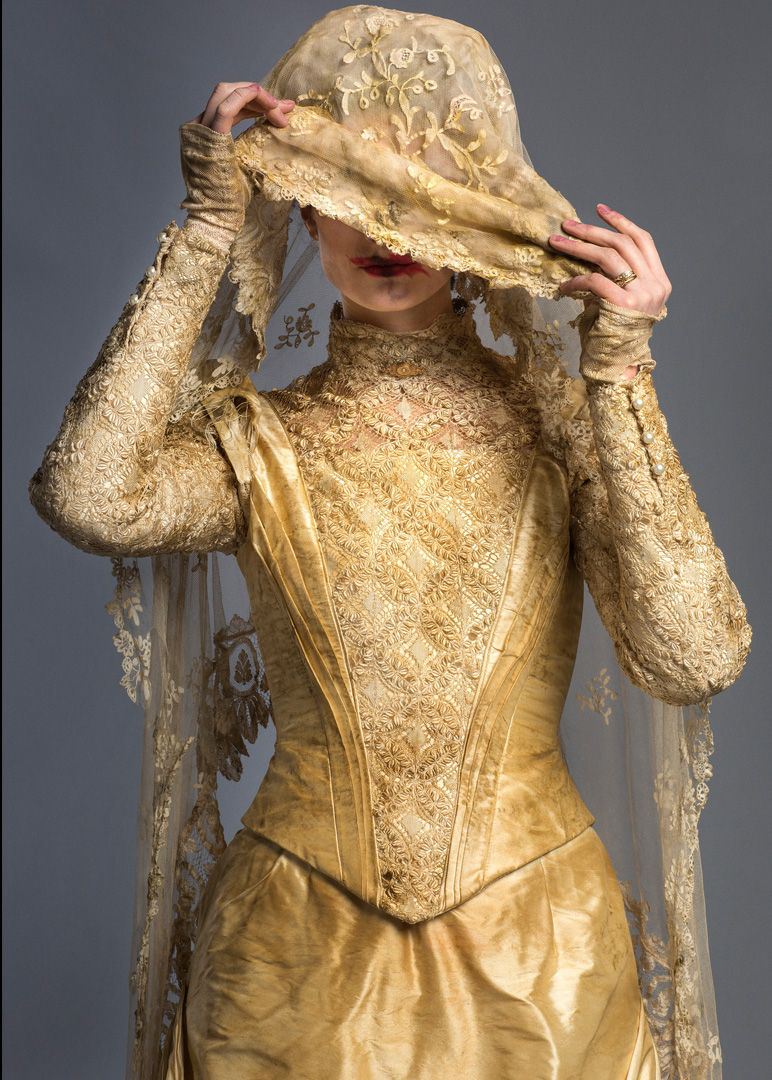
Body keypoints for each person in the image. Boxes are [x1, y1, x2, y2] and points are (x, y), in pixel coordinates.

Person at [28, 6, 751, 1078]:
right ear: (300, 202)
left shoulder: (560, 436)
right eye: (353, 185)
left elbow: (693, 657)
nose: (390, 227)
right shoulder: (262, 444)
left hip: (541, 971)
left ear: (479, 211)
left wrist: (619, 374)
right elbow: (88, 494)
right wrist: (206, 228)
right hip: (290, 970)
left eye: (427, 191)